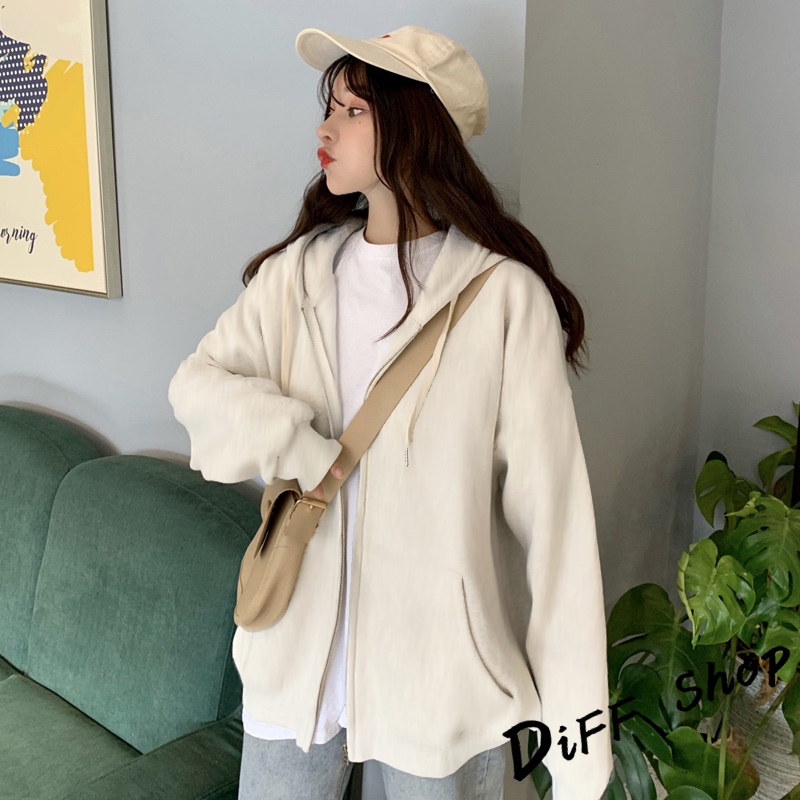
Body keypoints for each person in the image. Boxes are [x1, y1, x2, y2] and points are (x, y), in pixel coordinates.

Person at [168, 24, 614, 800]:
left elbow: (556, 528)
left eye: (352, 110)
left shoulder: (505, 300)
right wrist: (302, 447)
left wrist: (579, 747)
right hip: (293, 667)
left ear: (416, 124)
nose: (325, 129)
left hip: (441, 687)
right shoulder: (297, 275)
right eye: (328, 108)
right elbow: (196, 385)